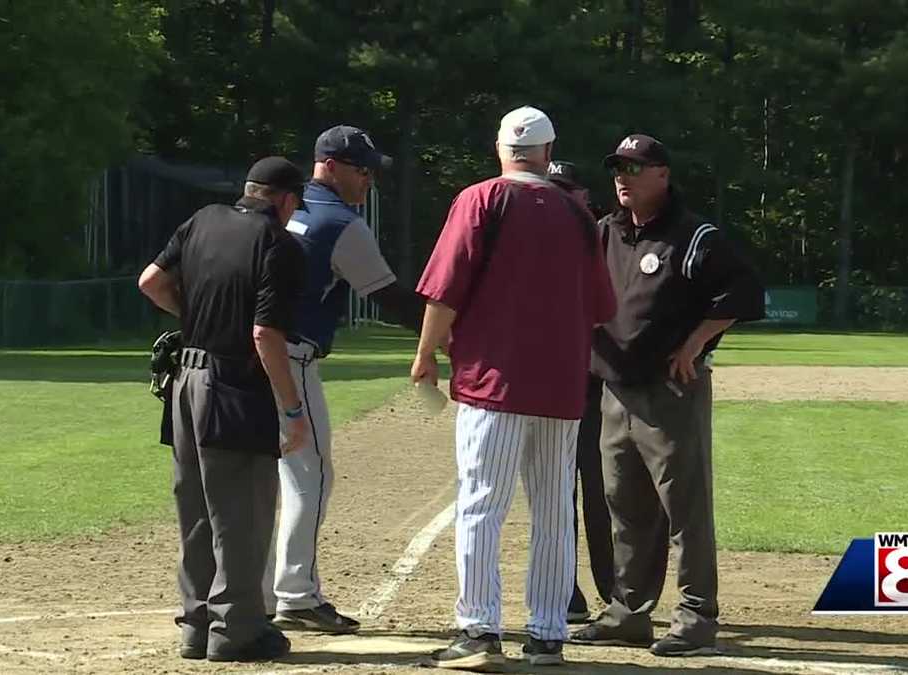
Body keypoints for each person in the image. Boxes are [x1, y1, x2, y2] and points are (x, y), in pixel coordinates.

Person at [411, 106, 616, 670]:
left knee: (482, 504)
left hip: (493, 382)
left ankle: (479, 631)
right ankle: (548, 634)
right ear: (549, 153)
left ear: (501, 148)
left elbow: (445, 289)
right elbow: (600, 307)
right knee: (553, 509)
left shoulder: (481, 199)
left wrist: (427, 351)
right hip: (560, 385)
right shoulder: (578, 213)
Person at [568, 134, 764, 657]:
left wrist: (697, 342)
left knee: (685, 508)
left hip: (670, 394)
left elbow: (744, 291)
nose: (623, 177)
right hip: (613, 392)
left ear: (663, 175)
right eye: (617, 168)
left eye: (635, 168)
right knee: (624, 508)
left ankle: (697, 616)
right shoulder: (605, 231)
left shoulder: (693, 235)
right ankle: (628, 613)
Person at [137, 157, 310, 663]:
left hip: (185, 380)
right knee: (242, 511)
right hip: (234, 385)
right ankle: (236, 630)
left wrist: (196, 315)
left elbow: (150, 281)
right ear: (285, 201)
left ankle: (195, 625)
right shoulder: (279, 245)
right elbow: (265, 335)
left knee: (195, 509)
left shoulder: (202, 220)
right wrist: (292, 411)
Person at [264, 125, 425, 634]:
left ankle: (259, 589)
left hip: (242, 355)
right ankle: (297, 594)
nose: (368, 181)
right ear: (328, 165)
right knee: (310, 474)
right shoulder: (341, 223)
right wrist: (447, 327)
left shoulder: (276, 210)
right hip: (290, 356)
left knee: (262, 478)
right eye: (361, 170)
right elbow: (393, 300)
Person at [546, 160, 615, 623]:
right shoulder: (535, 242)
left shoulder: (606, 238)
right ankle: (565, 589)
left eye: (567, 191)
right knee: (555, 493)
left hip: (598, 387)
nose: (559, 198)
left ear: (584, 197)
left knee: (604, 492)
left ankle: (616, 592)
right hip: (551, 385)